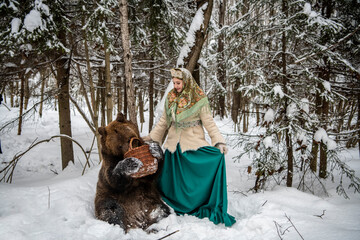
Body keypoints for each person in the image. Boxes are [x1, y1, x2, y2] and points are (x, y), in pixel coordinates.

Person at [143, 68, 236, 227]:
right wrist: (153, 137)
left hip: (193, 143)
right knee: (172, 180)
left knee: (200, 172)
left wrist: (218, 141)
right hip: (174, 145)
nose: (176, 86)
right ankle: (174, 204)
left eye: (178, 83)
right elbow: (164, 122)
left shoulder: (199, 98)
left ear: (186, 82)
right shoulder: (171, 97)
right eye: (174, 83)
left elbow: (209, 123)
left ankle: (197, 203)